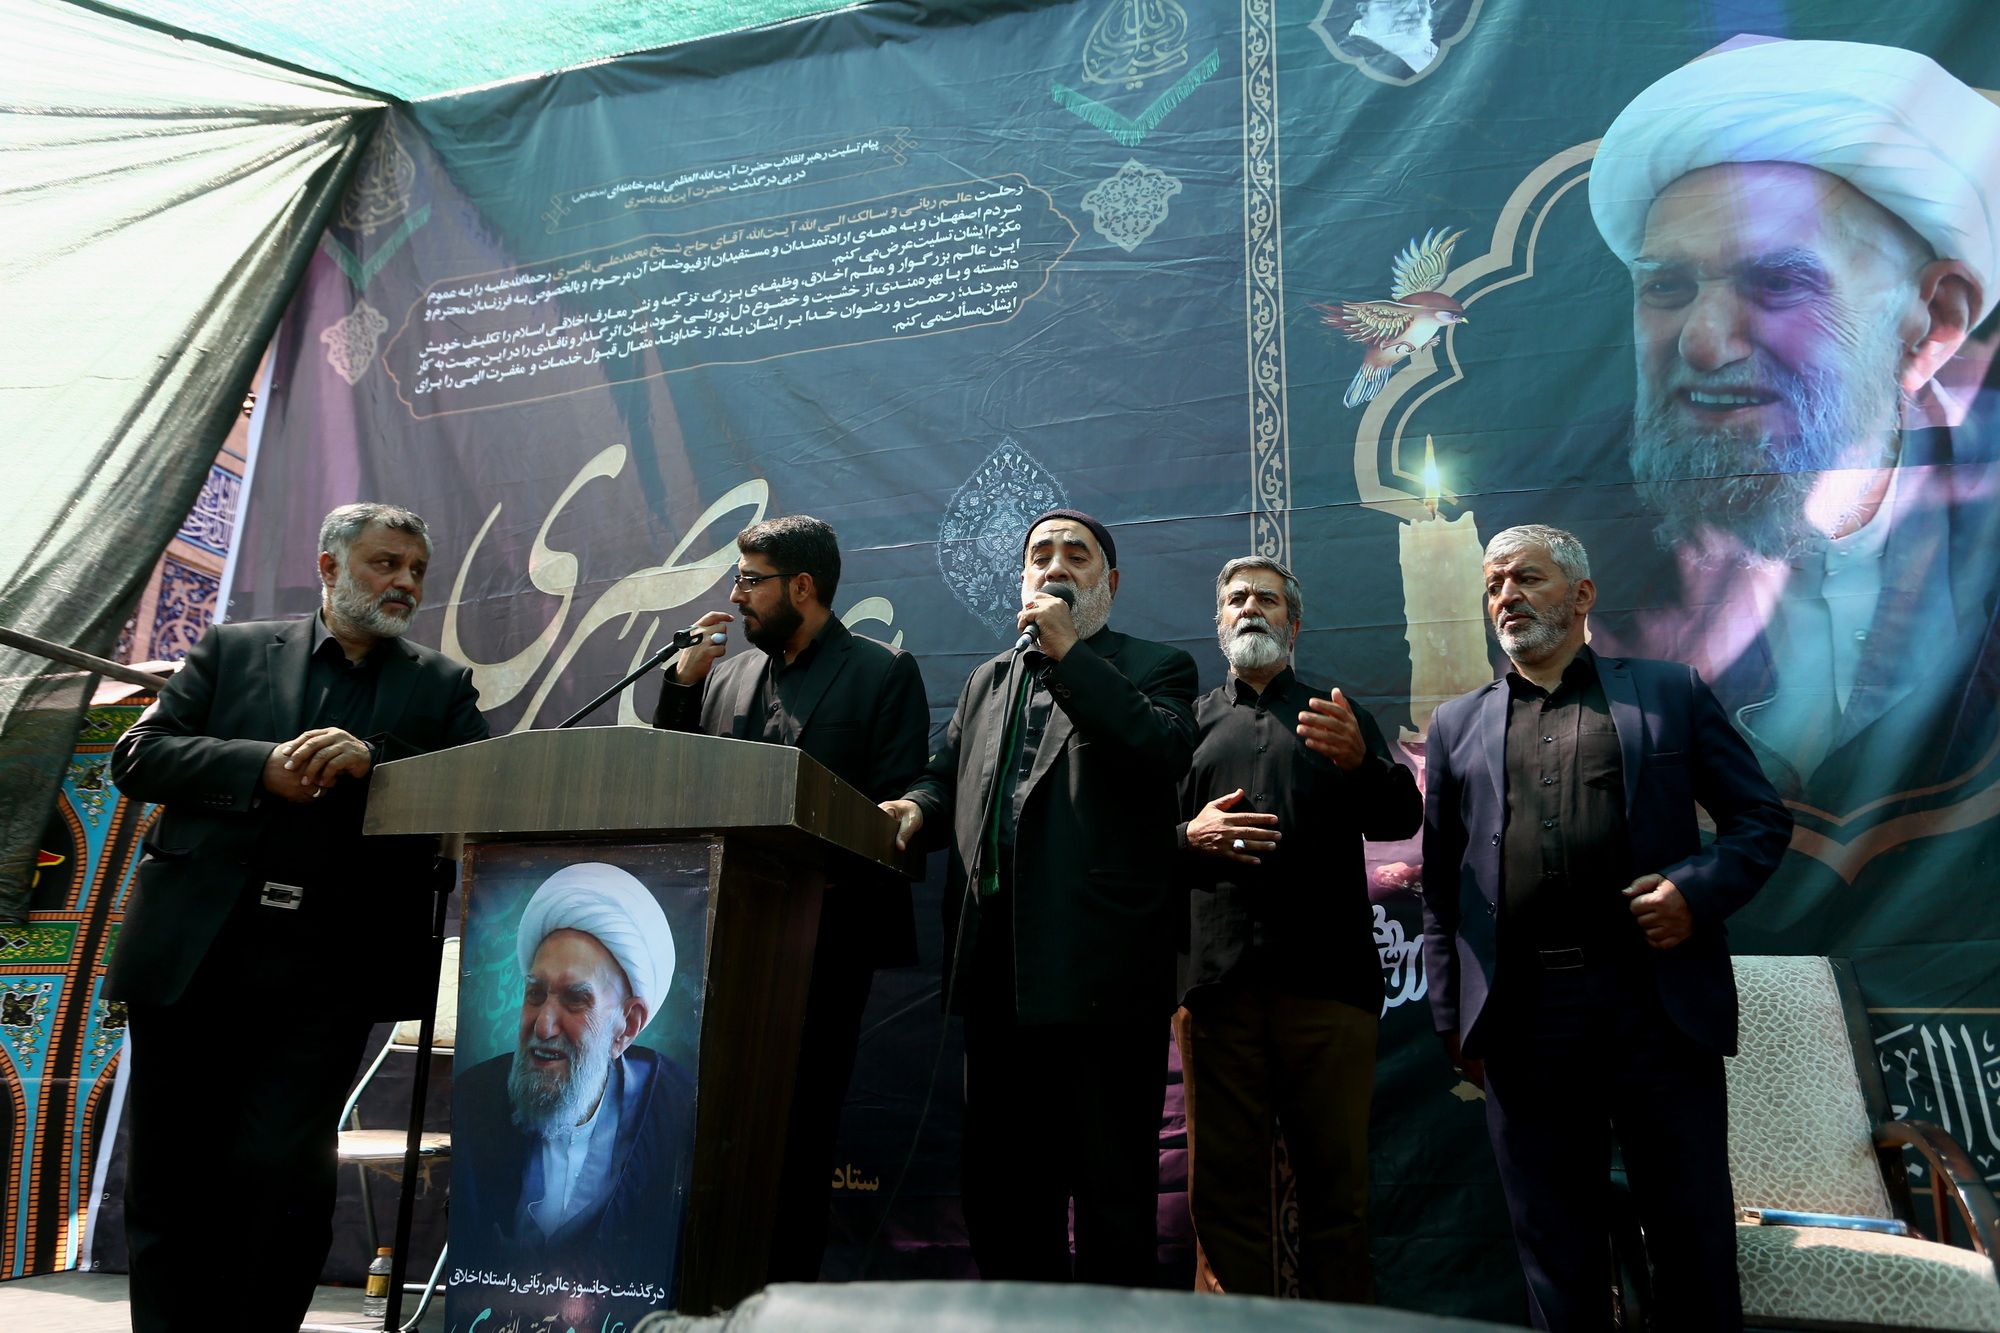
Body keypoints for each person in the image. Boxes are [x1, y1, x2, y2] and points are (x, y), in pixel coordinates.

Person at [1585, 38, 2000, 857]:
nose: (1703, 343)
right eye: (1668, 287)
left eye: (1777, 283)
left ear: (1933, 321)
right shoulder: (1557, 548)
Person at [109, 503, 488, 1333]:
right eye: (386, 563)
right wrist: (259, 769)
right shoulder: (233, 649)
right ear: (329, 567)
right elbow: (137, 757)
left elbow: (479, 794)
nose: (405, 583)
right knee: (172, 1178)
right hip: (194, 958)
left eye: (416, 570)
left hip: (326, 971)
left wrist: (377, 767)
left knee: (283, 1178)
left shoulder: (439, 684)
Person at [1420, 524, 1791, 1332]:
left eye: (1527, 578)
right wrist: (1453, 1017)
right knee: (1556, 1251)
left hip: (1656, 1007)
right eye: (1493, 584)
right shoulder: (1455, 727)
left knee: (1691, 1234)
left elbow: (1760, 820)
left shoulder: (1668, 692)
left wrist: (1695, 891)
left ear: (1582, 595)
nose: (1506, 596)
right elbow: (1441, 889)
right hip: (1524, 1019)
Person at [881, 509, 1198, 1286]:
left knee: (1109, 1198)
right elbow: (944, 769)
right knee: (1003, 1198)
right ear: (1022, 578)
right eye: (1040, 554)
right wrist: (917, 807)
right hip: (996, 979)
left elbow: (1163, 749)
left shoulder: (1157, 666)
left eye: (1076, 555)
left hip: (1101, 984)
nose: (1055, 565)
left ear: (1109, 584)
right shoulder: (989, 679)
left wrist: (1069, 656)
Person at [651, 513, 929, 1282]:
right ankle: (708, 1289)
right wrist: (682, 686)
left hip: (825, 940)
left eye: (749, 580)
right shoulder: (730, 676)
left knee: (797, 1131)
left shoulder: (881, 673)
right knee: (713, 1127)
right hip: (721, 937)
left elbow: (901, 801)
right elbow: (678, 777)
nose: (735, 596)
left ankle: (781, 1297)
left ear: (801, 586)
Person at [1175, 556, 1420, 1300]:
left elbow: (1401, 818)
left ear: (1295, 621)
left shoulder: (1336, 713)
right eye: (1237, 598)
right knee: (1223, 1203)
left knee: (1337, 1199)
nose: (1251, 607)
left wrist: (1361, 765)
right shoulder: (1183, 723)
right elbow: (1132, 844)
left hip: (1328, 993)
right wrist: (1189, 834)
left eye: (1267, 599)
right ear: (1221, 620)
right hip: (1217, 996)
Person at [453, 862, 696, 1282]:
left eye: (575, 1000)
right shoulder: (475, 1099)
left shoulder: (679, 1109)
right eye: (536, 994)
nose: (544, 1026)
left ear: (628, 1025)